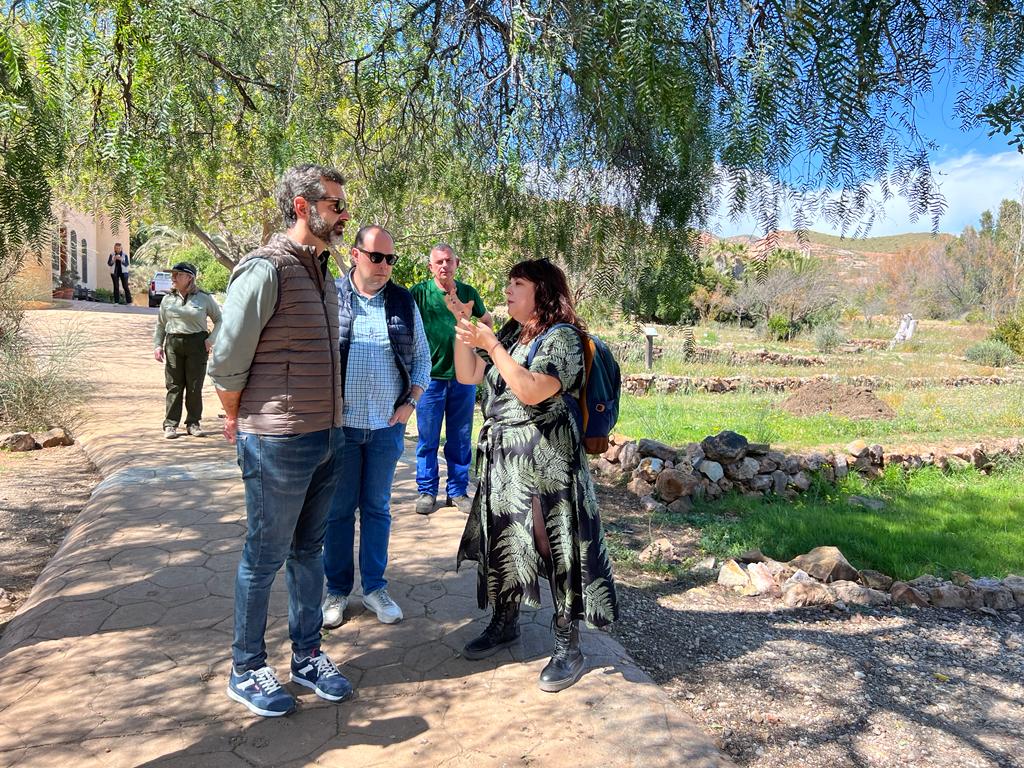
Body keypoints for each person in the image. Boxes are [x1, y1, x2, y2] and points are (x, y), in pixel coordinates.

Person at [207, 164, 352, 718]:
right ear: (301, 206)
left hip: (326, 437)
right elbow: (226, 358)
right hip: (276, 441)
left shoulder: (320, 271)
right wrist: (237, 418)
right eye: (334, 205)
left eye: (342, 205)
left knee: (308, 553)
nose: (343, 215)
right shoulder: (264, 270)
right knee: (262, 559)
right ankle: (246, 669)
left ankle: (308, 656)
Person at [445, 258, 619, 692]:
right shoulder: (510, 333)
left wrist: (494, 346)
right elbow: (468, 375)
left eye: (516, 284)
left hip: (546, 462)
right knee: (504, 539)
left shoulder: (562, 339)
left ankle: (568, 644)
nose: (507, 291)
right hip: (504, 458)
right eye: (507, 283)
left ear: (541, 290)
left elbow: (531, 389)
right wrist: (465, 332)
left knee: (551, 545)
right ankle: (505, 623)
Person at [321, 225, 431, 629]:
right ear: (354, 255)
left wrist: (410, 404)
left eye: (391, 259)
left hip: (386, 428)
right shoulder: (330, 296)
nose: (385, 266)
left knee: (377, 509)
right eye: (376, 257)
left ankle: (374, 589)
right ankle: (335, 591)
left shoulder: (403, 301)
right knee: (337, 512)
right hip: (342, 427)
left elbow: (422, 358)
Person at [410, 244, 492, 516]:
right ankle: (427, 490)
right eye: (438, 262)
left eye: (448, 261)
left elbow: (487, 321)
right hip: (430, 378)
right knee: (428, 437)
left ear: (456, 263)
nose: (444, 266)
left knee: (459, 436)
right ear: (431, 267)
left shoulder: (468, 293)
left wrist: (478, 342)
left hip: (463, 378)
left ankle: (457, 491)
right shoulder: (419, 293)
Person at [153, 262, 222, 439]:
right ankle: (170, 424)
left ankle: (193, 423)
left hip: (197, 344)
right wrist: (158, 345)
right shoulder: (167, 299)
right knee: (174, 385)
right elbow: (161, 325)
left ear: (189, 278)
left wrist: (210, 340)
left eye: (177, 274)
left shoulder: (204, 298)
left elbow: (220, 320)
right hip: (174, 343)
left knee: (194, 386)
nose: (173, 277)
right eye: (173, 274)